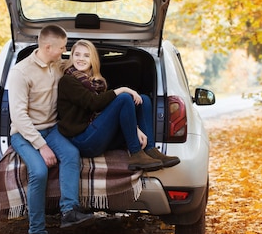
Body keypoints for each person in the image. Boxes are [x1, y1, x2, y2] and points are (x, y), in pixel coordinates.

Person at [6, 25, 95, 234]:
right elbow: (19, 116)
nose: (65, 52)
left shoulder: (58, 67)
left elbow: (83, 67)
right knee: (39, 171)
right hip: (25, 134)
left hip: (52, 129)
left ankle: (69, 211)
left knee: (71, 154)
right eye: (63, 48)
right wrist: (41, 145)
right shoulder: (20, 73)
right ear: (48, 47)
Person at [57, 39, 180, 171]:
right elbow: (93, 103)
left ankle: (150, 149)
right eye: (77, 54)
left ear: (93, 59)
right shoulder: (67, 80)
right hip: (82, 141)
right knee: (124, 98)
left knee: (143, 99)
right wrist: (123, 89)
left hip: (96, 133)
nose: (81, 59)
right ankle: (136, 154)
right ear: (71, 57)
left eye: (86, 55)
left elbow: (105, 110)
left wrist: (136, 129)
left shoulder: (95, 83)